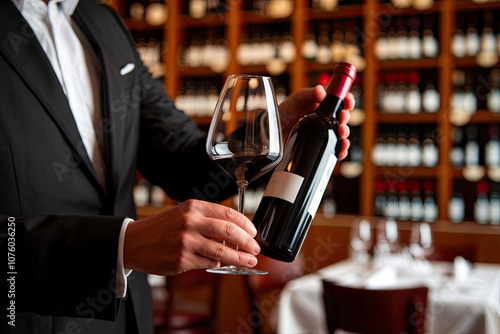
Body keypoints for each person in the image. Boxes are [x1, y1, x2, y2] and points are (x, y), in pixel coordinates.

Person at [0, 0, 354, 333]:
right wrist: (122, 246)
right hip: (28, 317)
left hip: (127, 316)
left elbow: (185, 164)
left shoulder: (102, 22)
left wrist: (272, 130)